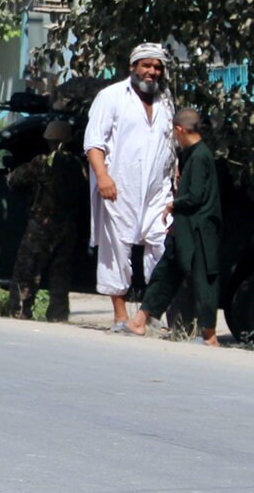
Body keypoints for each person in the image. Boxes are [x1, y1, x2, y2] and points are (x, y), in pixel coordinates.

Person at [84, 42, 177, 333]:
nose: (152, 71)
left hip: (157, 190)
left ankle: (150, 314)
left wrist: (176, 181)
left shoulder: (165, 101)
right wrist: (103, 177)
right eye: (146, 65)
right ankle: (120, 316)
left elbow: (170, 146)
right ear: (133, 66)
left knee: (164, 246)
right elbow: (93, 142)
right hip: (119, 186)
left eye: (157, 66)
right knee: (116, 247)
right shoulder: (111, 97)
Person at [125, 109, 222, 345]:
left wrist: (172, 206)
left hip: (198, 231)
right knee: (166, 272)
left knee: (202, 279)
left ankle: (209, 335)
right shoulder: (194, 154)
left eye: (174, 132)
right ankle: (139, 320)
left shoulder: (200, 156)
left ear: (179, 129)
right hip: (185, 228)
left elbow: (195, 196)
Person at [7, 119, 85, 321]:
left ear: (50, 140)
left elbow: (14, 180)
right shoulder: (79, 166)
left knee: (27, 271)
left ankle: (20, 311)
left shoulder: (41, 163)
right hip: (68, 228)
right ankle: (58, 316)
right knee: (60, 276)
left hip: (41, 226)